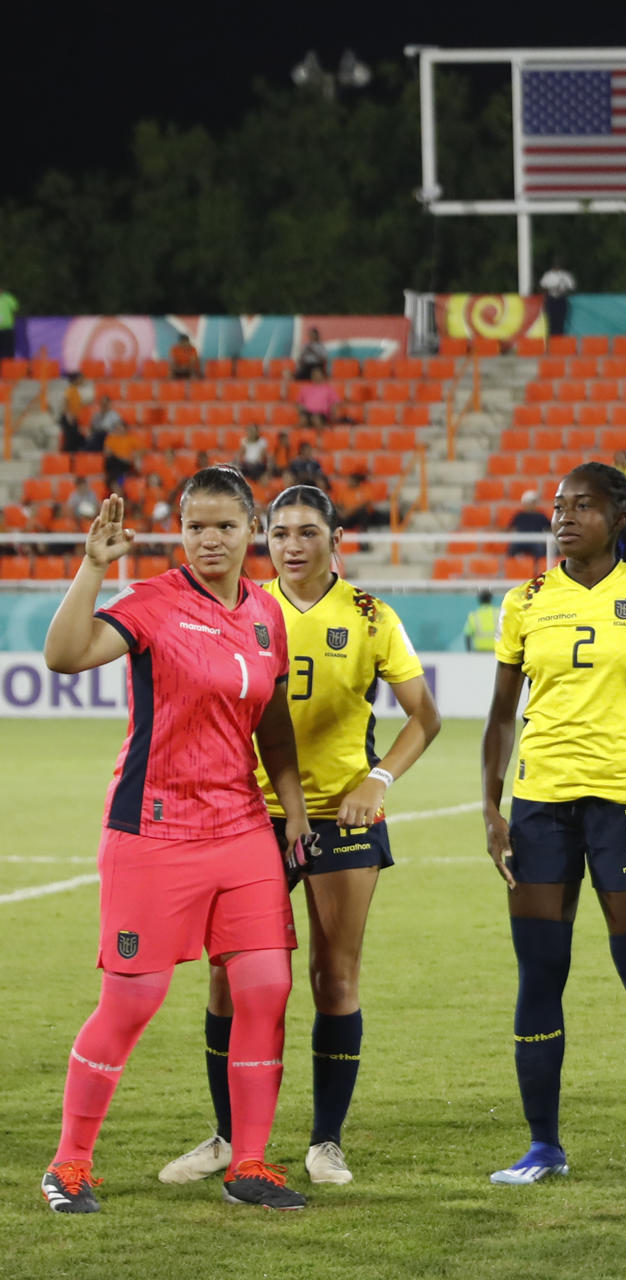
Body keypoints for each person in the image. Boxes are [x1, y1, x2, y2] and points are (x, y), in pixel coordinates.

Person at [39, 468, 309, 1214]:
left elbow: (273, 721)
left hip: (243, 829)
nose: (210, 539)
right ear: (181, 531)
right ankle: (68, 1165)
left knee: (267, 990)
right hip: (155, 831)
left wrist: (290, 808)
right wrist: (94, 567)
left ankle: (249, 1165)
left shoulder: (266, 613)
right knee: (132, 1000)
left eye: (225, 525)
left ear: (251, 529)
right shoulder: (155, 602)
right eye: (196, 526)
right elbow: (63, 656)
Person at [159, 485, 440, 1190]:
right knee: (228, 979)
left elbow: (424, 717)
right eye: (279, 532)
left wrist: (377, 781)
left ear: (335, 538)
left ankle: (326, 1143)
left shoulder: (371, 616)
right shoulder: (243, 607)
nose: (291, 545)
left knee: (333, 978)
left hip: (342, 816)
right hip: (247, 815)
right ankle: (227, 1137)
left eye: (307, 532)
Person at [480, 463, 626, 1188]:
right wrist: (491, 808)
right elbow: (502, 715)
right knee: (540, 975)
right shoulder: (525, 601)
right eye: (559, 507)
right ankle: (543, 1146)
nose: (564, 517)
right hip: (540, 809)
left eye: (583, 506)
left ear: (621, 513)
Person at [506, 489, 550, 560]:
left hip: (536, 540)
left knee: (541, 552)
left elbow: (549, 527)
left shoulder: (541, 516)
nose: (530, 505)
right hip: (520, 540)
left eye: (532, 502)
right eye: (528, 502)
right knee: (511, 550)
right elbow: (510, 528)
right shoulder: (519, 516)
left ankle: (539, 568)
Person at [540, 261, 577, 337]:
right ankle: (551, 341)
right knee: (551, 321)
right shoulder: (548, 275)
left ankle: (559, 341)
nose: (557, 266)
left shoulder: (566, 275)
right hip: (551, 299)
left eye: (558, 264)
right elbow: (542, 287)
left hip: (561, 299)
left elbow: (572, 288)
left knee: (560, 321)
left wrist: (563, 290)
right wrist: (550, 290)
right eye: (555, 264)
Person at [464, 589, 498, 653]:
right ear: (491, 599)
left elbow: (467, 636)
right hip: (496, 653)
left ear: (479, 600)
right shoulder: (499, 613)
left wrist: (469, 653)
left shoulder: (473, 616)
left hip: (479, 653)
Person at [0, 281, 16, 358]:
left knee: (8, 350)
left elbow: (15, 308)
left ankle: (8, 368)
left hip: (7, 328)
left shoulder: (8, 298)